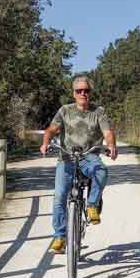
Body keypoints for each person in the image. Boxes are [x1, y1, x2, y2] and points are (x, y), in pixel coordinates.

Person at [39, 75, 118, 254]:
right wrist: (45, 142)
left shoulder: (98, 111)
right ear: (73, 93)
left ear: (90, 93)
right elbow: (52, 129)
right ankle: (60, 236)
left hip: (88, 156)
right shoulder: (65, 110)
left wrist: (111, 145)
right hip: (66, 158)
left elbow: (107, 131)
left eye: (86, 91)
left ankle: (91, 205)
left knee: (100, 171)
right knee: (59, 196)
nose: (83, 93)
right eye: (79, 91)